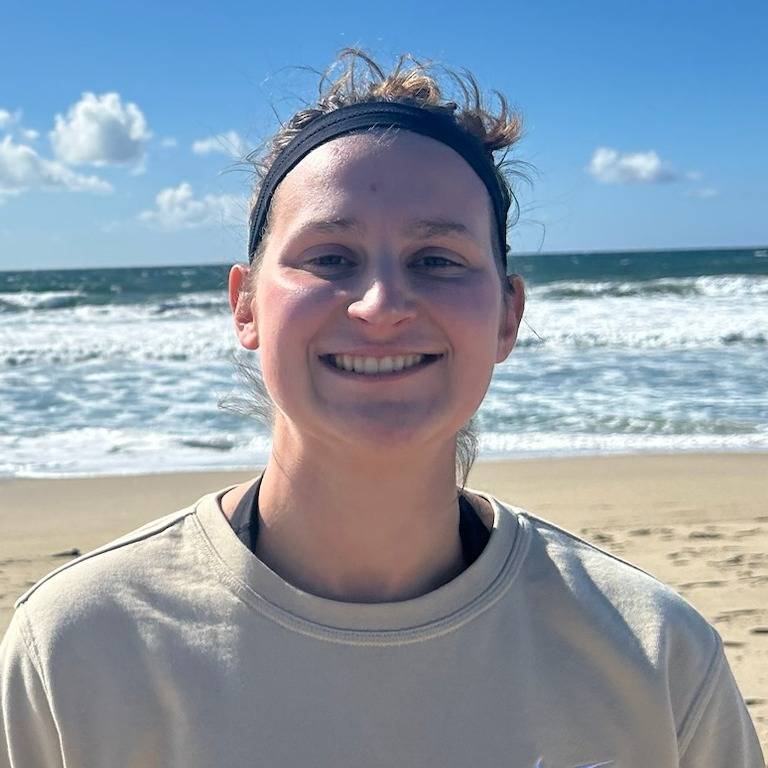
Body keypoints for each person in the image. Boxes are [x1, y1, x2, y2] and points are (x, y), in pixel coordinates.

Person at [1, 49, 763, 768]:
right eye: (330, 257)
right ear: (246, 305)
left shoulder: (655, 657)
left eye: (438, 260)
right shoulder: (78, 649)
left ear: (507, 315)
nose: (382, 304)